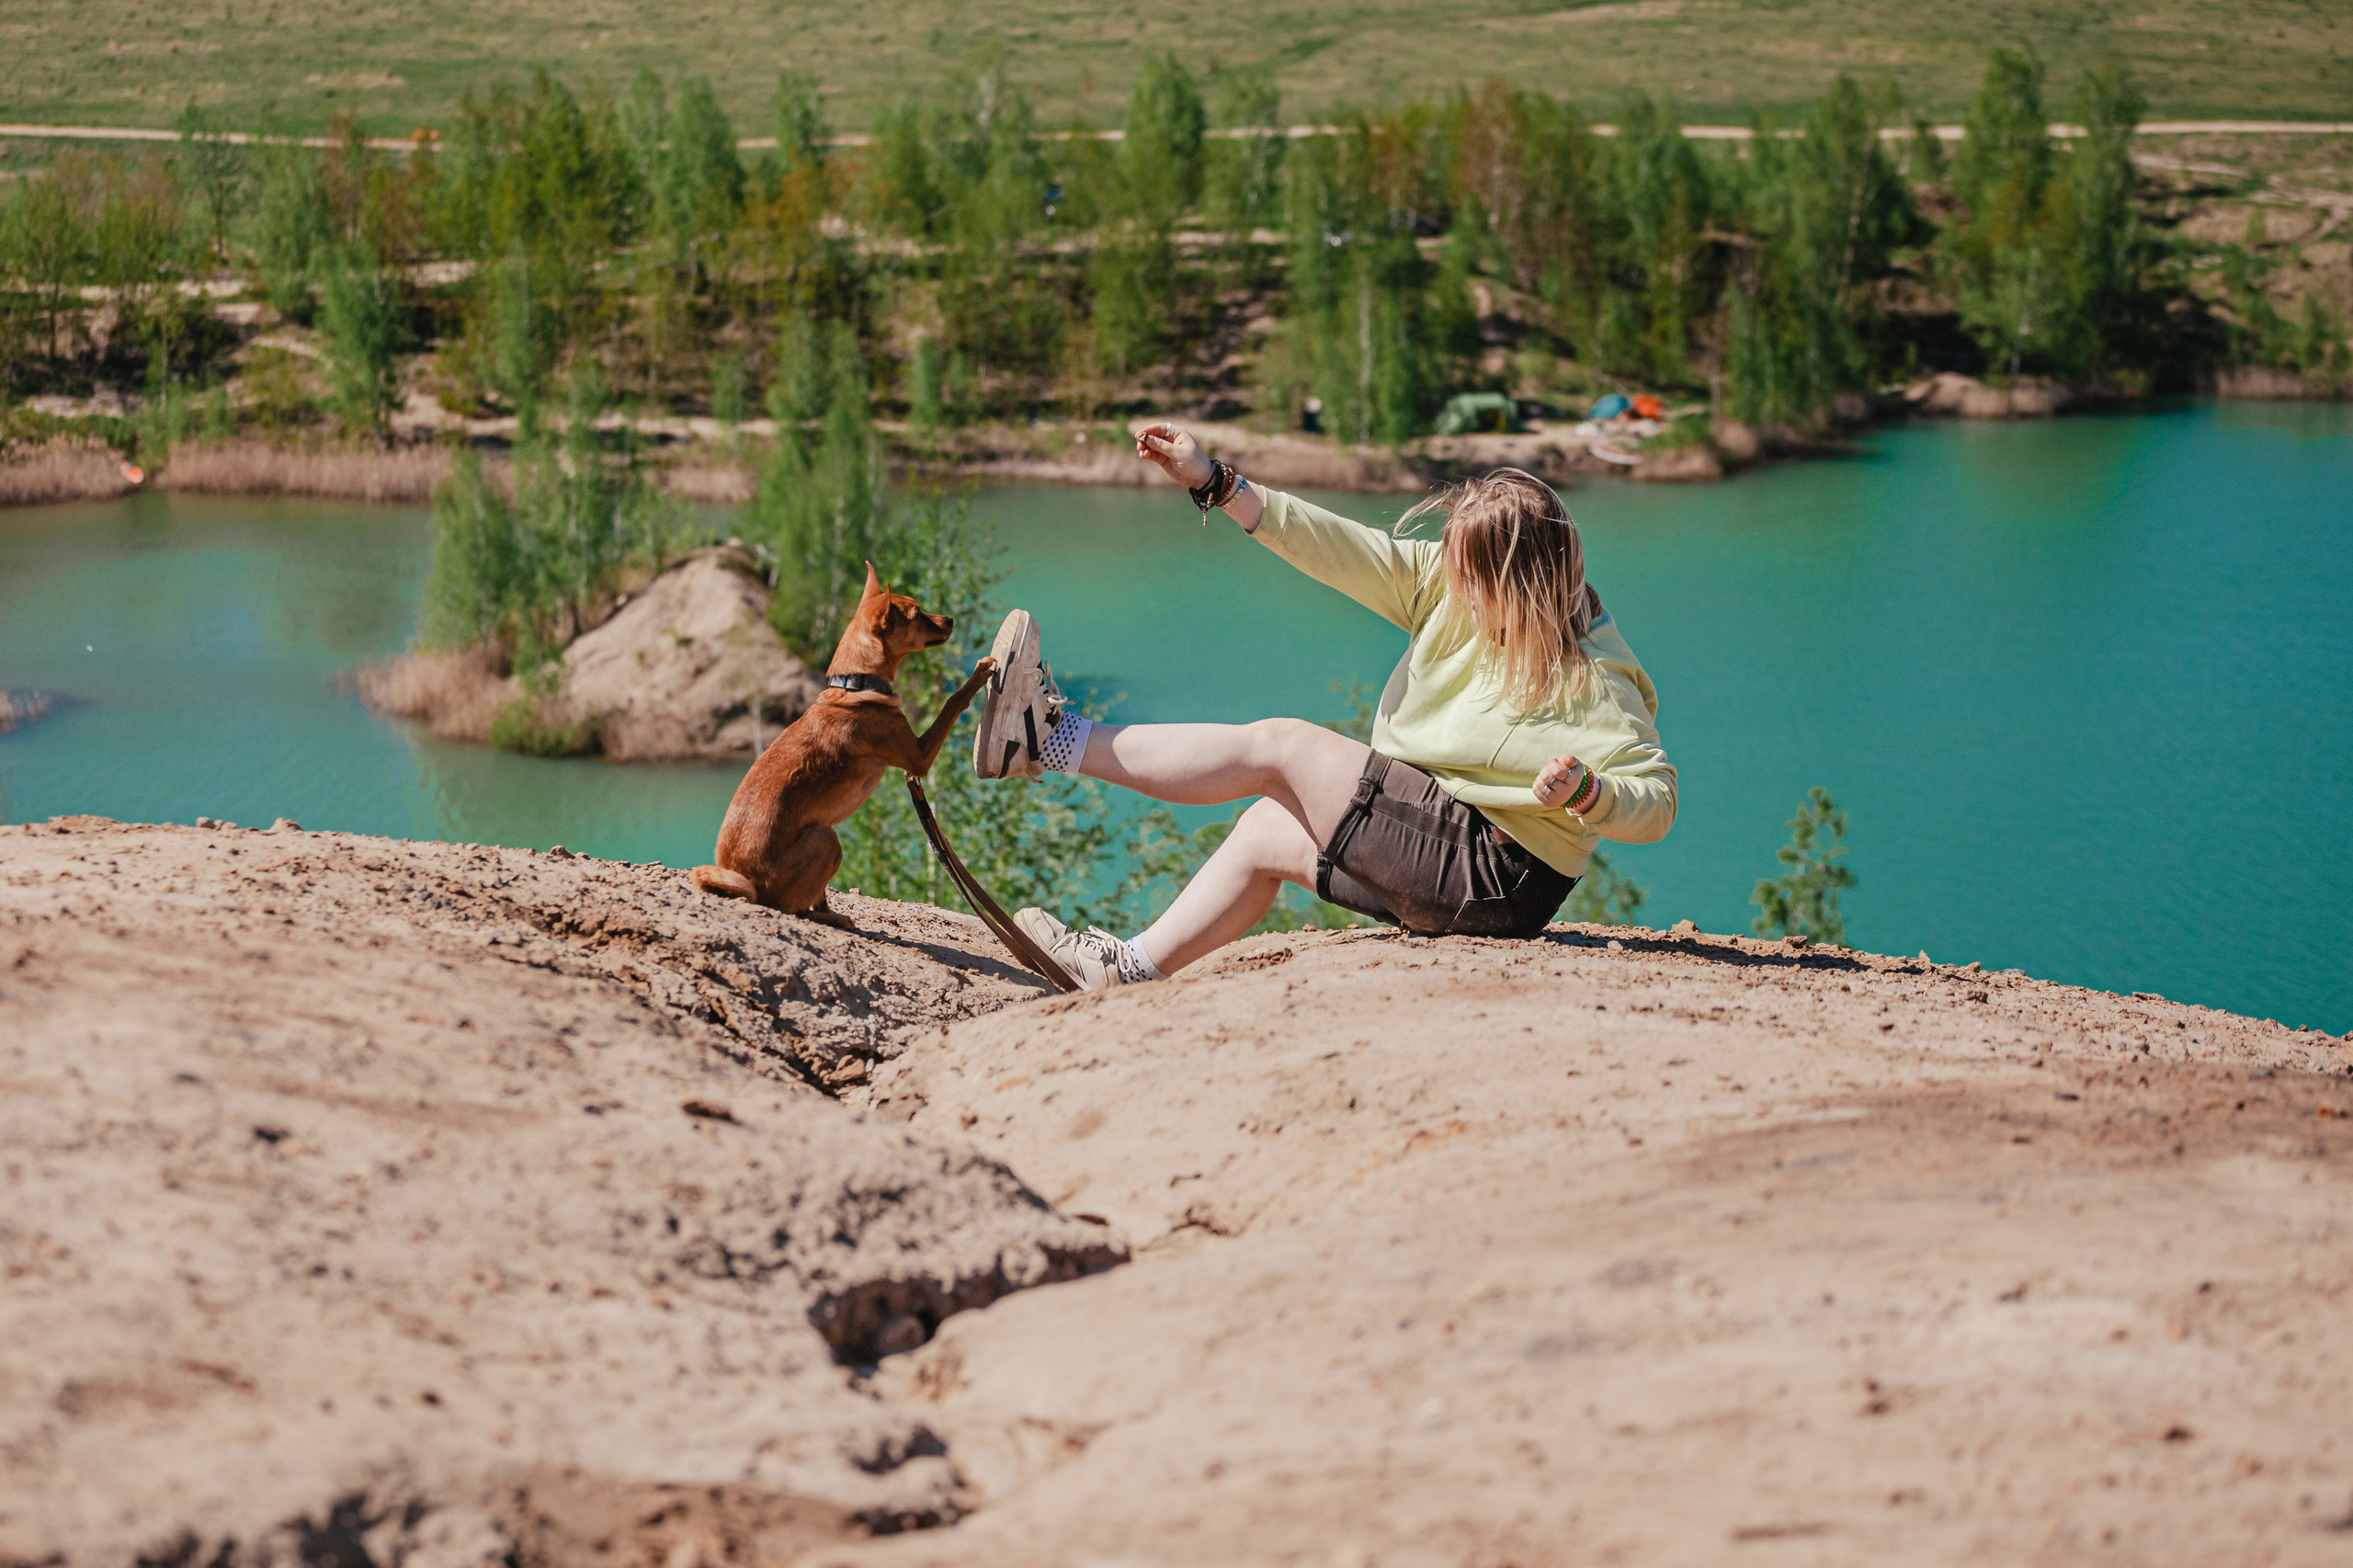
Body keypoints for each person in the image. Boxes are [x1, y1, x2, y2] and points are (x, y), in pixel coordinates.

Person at [967, 423, 1677, 990]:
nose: (1449, 579)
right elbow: (1337, 547)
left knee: (1283, 745)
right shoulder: (1452, 584)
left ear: (1517, 587)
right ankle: (1121, 970)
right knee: (1268, 831)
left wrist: (1591, 792)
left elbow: (1657, 800)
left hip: (1497, 875)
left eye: (1468, 574)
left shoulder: (1592, 674)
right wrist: (1216, 482)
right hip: (1446, 849)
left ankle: (1046, 738)